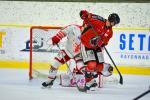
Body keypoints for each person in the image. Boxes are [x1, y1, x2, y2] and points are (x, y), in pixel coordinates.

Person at [79, 10, 120, 91]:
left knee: (101, 67)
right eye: (115, 23)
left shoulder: (110, 32)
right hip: (86, 43)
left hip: (96, 47)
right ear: (112, 21)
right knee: (91, 64)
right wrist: (85, 14)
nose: (114, 25)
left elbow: (105, 42)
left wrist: (103, 43)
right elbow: (88, 16)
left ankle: (92, 72)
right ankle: (88, 80)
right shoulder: (98, 20)